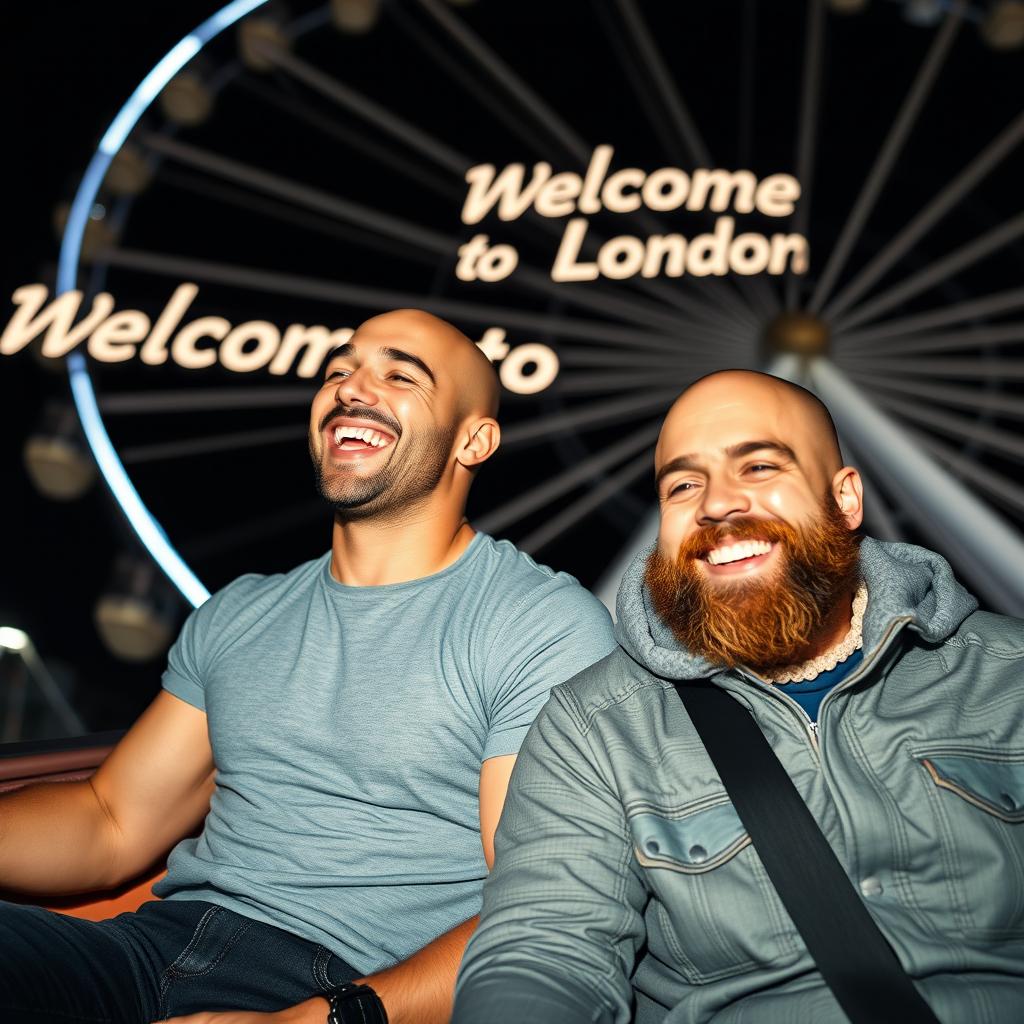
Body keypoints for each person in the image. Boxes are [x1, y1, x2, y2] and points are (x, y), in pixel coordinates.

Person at [0, 309, 616, 1024]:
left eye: (398, 374)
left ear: (473, 439)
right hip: (149, 948)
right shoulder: (241, 614)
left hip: (350, 987)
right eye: (338, 370)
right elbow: (110, 821)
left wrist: (312, 1022)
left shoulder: (537, 623)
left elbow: (541, 910)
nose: (351, 387)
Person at [452, 369, 1024, 1024]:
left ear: (845, 500)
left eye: (758, 466)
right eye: (684, 484)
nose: (717, 504)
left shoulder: (1008, 674)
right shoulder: (596, 726)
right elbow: (543, 951)